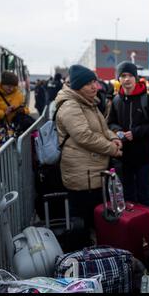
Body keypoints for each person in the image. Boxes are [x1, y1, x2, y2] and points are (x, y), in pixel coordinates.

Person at [55, 65, 123, 231]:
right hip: (82, 175)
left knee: (95, 219)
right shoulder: (71, 106)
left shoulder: (88, 103)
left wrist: (113, 137)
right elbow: (84, 136)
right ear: (77, 86)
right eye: (89, 83)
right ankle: (82, 254)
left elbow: (102, 127)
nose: (95, 86)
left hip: (93, 171)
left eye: (95, 82)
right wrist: (112, 148)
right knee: (83, 223)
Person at [108, 61, 149, 208]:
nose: (127, 79)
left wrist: (136, 133)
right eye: (123, 76)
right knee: (128, 194)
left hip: (144, 156)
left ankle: (147, 225)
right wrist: (117, 130)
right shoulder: (116, 100)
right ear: (118, 79)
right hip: (124, 157)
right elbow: (110, 123)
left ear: (136, 78)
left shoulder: (147, 99)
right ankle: (132, 225)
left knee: (144, 193)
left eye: (130, 75)